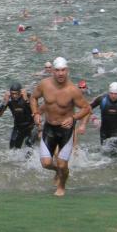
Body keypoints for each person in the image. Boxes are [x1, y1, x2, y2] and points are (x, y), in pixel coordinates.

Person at [30, 56, 91, 196]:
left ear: (67, 71)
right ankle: (58, 171)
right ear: (53, 71)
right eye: (57, 70)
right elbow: (33, 97)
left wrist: (74, 118)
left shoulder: (73, 90)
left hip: (66, 130)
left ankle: (62, 186)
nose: (60, 73)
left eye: (63, 70)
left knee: (63, 164)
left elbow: (86, 108)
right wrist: (35, 113)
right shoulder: (44, 84)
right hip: (49, 128)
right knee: (46, 163)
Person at [87, 82, 117, 148]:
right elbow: (87, 107)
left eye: (115, 94)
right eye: (111, 93)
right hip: (104, 130)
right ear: (109, 92)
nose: (113, 96)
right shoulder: (101, 99)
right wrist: (90, 117)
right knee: (105, 151)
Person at [0, 81, 36, 149]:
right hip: (18, 127)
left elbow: (35, 112)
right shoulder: (9, 100)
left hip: (31, 126)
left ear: (20, 92)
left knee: (29, 144)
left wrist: (26, 100)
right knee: (12, 147)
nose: (14, 96)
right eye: (12, 94)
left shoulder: (28, 96)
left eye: (16, 93)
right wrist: (5, 102)